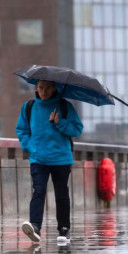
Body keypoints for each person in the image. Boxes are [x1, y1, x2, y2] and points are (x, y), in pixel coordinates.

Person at [16, 80, 84, 243]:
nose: (44, 91)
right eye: (40, 88)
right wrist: (29, 147)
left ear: (54, 88)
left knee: (61, 194)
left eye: (47, 88)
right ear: (35, 88)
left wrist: (59, 122)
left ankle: (64, 229)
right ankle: (35, 226)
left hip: (61, 158)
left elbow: (77, 129)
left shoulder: (64, 106)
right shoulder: (29, 106)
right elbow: (22, 130)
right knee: (38, 191)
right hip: (38, 158)